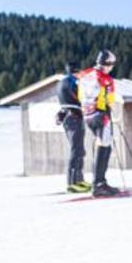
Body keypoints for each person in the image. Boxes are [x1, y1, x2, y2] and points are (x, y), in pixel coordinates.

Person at [78, 49, 120, 196]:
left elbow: (80, 95)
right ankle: (99, 184)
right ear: (107, 64)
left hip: (87, 115)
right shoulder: (106, 79)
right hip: (101, 115)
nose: (112, 68)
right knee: (105, 148)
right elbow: (110, 99)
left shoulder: (85, 75)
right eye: (111, 64)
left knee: (100, 146)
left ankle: (99, 182)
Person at [55, 62, 90, 193]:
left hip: (69, 117)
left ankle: (79, 180)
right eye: (80, 72)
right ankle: (73, 182)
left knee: (79, 150)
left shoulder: (62, 82)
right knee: (77, 150)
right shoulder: (73, 82)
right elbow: (81, 98)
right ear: (76, 71)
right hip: (74, 117)